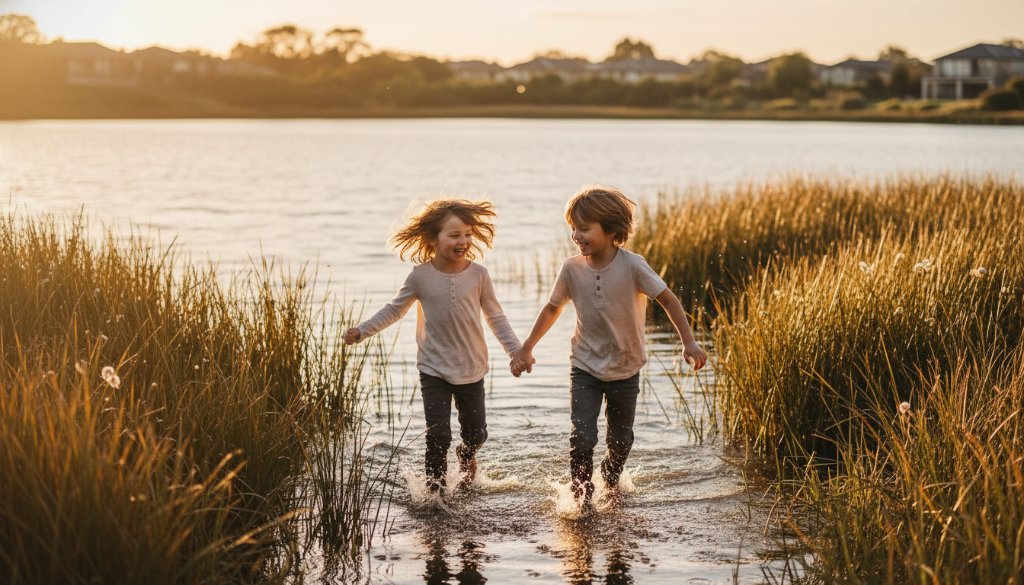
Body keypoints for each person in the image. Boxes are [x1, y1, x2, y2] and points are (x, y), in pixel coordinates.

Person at [511, 186, 707, 506]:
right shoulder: (571, 268)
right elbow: (552, 308)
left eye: (584, 228)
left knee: (620, 442)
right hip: (584, 365)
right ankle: (581, 498)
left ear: (612, 230)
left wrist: (689, 342)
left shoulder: (633, 265)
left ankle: (611, 482)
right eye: (573, 228)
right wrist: (526, 347)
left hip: (626, 367)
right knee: (582, 438)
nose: (576, 235)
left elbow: (667, 299)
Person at [344, 199, 522, 495]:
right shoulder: (420, 277)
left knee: (476, 434)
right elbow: (394, 310)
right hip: (433, 369)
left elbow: (496, 317)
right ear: (433, 239)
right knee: (437, 436)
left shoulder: (479, 275)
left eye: (467, 234)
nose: (463, 240)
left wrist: (516, 351)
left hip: (471, 367)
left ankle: (466, 456)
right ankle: (434, 495)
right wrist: (362, 331)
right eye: (454, 235)